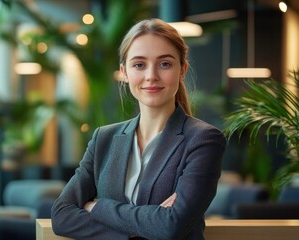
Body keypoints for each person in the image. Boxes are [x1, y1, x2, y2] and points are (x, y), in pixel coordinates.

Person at [51, 18, 226, 240]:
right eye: (139, 65)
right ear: (124, 72)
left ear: (182, 69)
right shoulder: (103, 138)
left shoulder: (204, 140)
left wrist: (96, 207)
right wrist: (145, 228)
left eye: (164, 64)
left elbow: (170, 226)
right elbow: (61, 216)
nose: (151, 75)